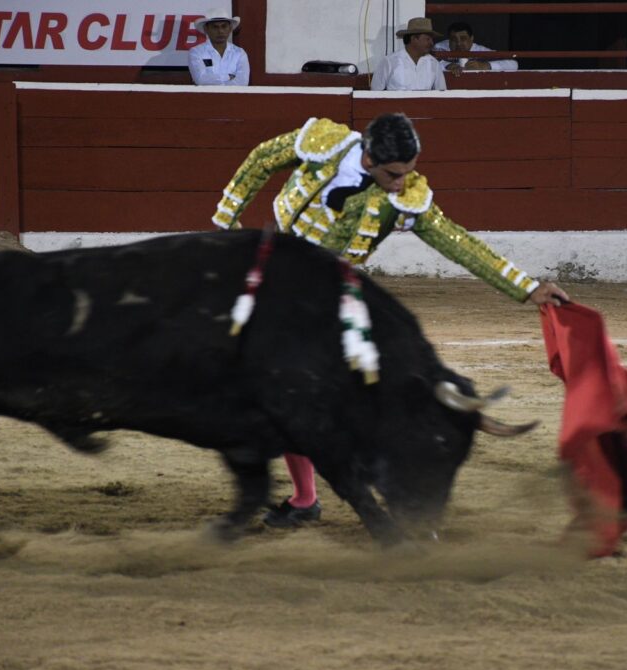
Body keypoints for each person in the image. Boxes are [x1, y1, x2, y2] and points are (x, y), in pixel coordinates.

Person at [210, 113, 569, 527]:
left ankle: (377, 490)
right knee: (281, 393)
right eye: (393, 174)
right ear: (367, 158)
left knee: (312, 394)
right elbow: (261, 159)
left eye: (407, 174)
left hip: (328, 294)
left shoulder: (403, 198)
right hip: (274, 273)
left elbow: (459, 244)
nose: (401, 183)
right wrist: (226, 219)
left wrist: (527, 287)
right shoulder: (322, 144)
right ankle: (306, 498)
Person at [370, 18, 447, 91]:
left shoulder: (434, 63)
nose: (431, 43)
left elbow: (442, 93)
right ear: (414, 39)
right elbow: (375, 92)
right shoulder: (389, 61)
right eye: (427, 39)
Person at [188, 3, 250, 86]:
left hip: (233, 99)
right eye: (215, 27)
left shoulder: (239, 53)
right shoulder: (196, 52)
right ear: (206, 29)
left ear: (230, 28)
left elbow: (243, 82)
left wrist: (213, 80)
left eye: (224, 26)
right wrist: (228, 76)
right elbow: (200, 79)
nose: (220, 31)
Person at [434, 21, 518, 75]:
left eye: (463, 39)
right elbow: (428, 63)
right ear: (448, 40)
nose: (458, 43)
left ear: (471, 39)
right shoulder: (440, 48)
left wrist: (485, 65)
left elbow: (513, 64)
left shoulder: (481, 51)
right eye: (453, 39)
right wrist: (447, 65)